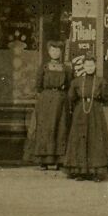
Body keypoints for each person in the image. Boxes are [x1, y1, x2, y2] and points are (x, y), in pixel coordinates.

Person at [63, 58, 108, 181]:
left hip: (95, 112)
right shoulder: (77, 82)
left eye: (91, 65)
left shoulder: (101, 81)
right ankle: (80, 171)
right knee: (79, 138)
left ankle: (95, 172)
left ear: (95, 66)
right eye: (87, 65)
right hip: (80, 112)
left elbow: (105, 97)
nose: (89, 67)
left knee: (95, 139)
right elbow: (71, 97)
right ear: (83, 67)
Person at [28, 40, 71, 170]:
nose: (55, 52)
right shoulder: (44, 67)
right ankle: (44, 160)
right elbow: (38, 85)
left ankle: (59, 160)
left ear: (61, 52)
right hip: (46, 101)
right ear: (49, 52)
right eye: (53, 50)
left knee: (60, 127)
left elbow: (69, 85)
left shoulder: (66, 68)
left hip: (60, 101)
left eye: (58, 50)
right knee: (45, 128)